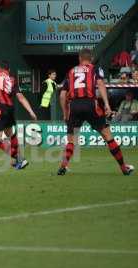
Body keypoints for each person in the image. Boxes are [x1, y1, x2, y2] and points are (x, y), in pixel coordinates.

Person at [57, 48, 134, 176]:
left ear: (80, 59)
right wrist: (107, 105)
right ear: (91, 59)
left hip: (74, 105)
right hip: (91, 104)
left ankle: (62, 167)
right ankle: (123, 168)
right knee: (107, 136)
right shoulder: (95, 69)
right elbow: (101, 84)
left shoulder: (71, 71)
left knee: (71, 140)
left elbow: (62, 95)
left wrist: (65, 113)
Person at [0, 61, 37, 170]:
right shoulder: (12, 78)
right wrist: (31, 111)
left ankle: (19, 158)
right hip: (9, 109)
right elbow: (20, 97)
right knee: (10, 134)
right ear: (8, 70)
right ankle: (18, 161)